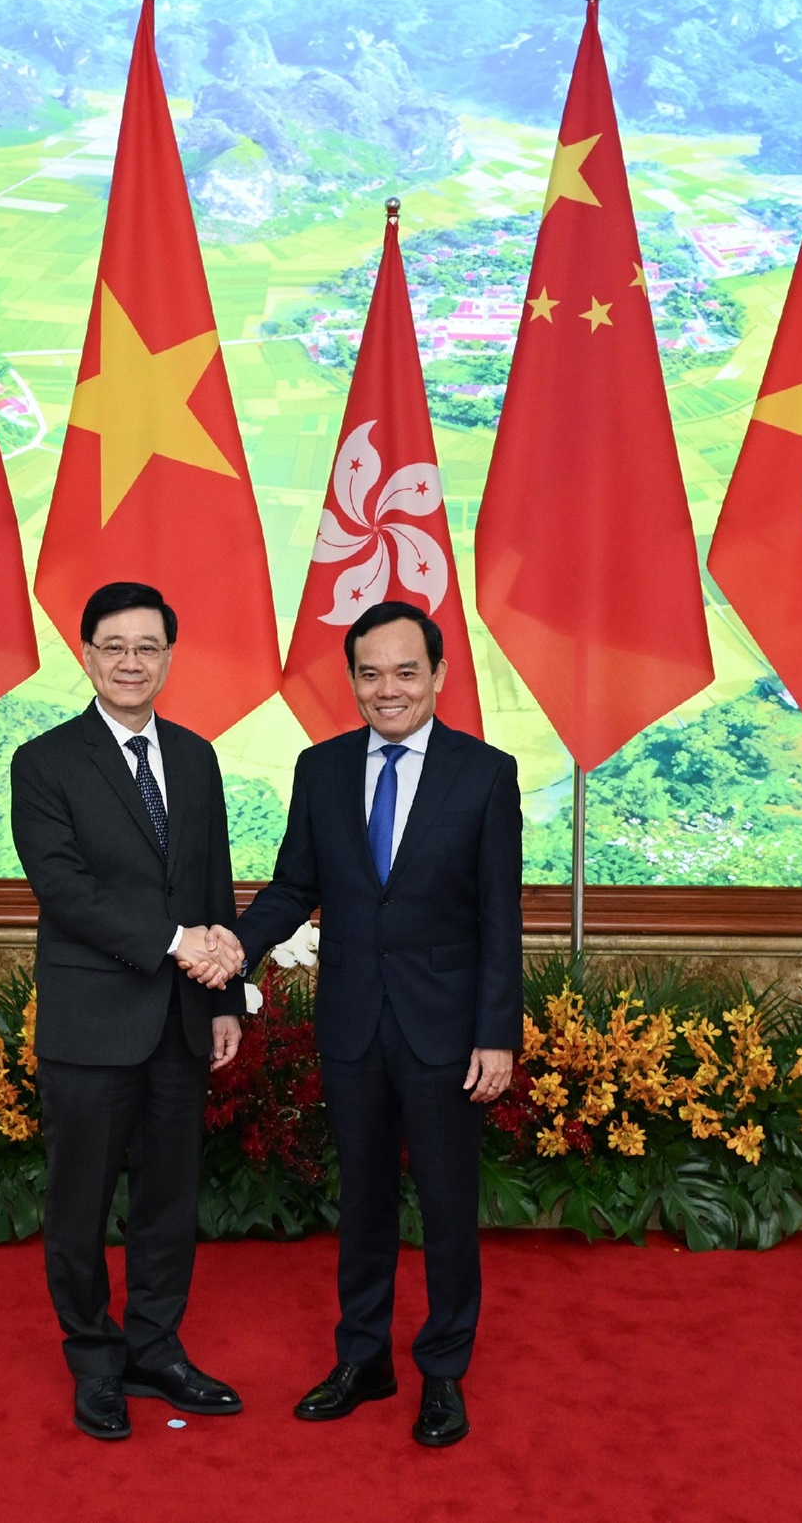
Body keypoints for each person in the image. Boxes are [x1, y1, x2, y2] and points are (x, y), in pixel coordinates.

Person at [226, 598, 521, 1448]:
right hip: (353, 1024)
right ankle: (364, 1358)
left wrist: (496, 1033)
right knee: (361, 1202)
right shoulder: (320, 769)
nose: (386, 688)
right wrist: (231, 949)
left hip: (446, 1032)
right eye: (369, 673)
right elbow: (292, 889)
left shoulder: (484, 774)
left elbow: (501, 917)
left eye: (404, 671)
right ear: (351, 680)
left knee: (446, 1205)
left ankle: (443, 1373)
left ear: (437, 676)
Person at [10, 581, 250, 1441]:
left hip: (184, 1022)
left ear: (169, 659)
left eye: (148, 647)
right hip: (90, 1025)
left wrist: (226, 995)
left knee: (167, 1200)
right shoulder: (43, 762)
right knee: (80, 1207)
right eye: (114, 646)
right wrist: (178, 941)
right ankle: (94, 1360)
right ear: (86, 654)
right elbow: (65, 890)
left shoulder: (195, 756)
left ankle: (156, 1349)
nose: (130, 662)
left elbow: (212, 880)